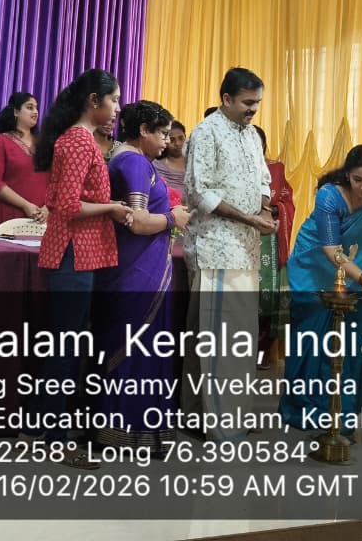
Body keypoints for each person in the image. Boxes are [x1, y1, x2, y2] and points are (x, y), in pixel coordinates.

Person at [32, 69, 134, 467]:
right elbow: (69, 206)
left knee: (62, 347)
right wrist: (113, 208)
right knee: (65, 350)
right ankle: (57, 440)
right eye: (114, 100)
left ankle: (35, 432)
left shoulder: (80, 140)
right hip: (72, 252)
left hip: (77, 253)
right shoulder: (77, 141)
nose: (118, 108)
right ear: (94, 101)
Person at [279, 145, 362, 433]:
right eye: (358, 180)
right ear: (347, 175)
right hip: (313, 269)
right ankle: (304, 409)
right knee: (310, 343)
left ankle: (340, 414)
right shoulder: (330, 196)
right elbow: (331, 249)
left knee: (349, 347)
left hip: (353, 277)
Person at [181, 67, 275, 442]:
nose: (253, 109)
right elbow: (199, 192)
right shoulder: (206, 133)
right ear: (226, 99)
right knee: (219, 339)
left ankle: (204, 414)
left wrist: (264, 210)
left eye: (257, 103)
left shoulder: (250, 134)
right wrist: (250, 218)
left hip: (245, 249)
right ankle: (222, 424)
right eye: (248, 102)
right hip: (216, 248)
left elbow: (263, 179)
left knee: (234, 338)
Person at [92, 101, 191, 454]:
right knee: (137, 347)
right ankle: (126, 430)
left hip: (140, 268)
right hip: (136, 272)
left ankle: (127, 431)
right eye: (162, 133)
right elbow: (136, 220)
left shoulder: (130, 159)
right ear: (143, 131)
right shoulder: (133, 162)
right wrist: (173, 218)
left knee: (140, 347)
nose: (166, 140)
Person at [253, 124, 296, 370]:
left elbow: (287, 202)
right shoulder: (235, 169)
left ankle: (263, 351)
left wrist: (273, 210)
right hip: (243, 238)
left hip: (270, 241)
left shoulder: (275, 169)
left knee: (269, 298)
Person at [0, 91, 50, 233]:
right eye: (30, 107)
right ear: (16, 112)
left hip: (40, 220)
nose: (35, 112)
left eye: (36, 108)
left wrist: (48, 207)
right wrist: (25, 205)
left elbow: (56, 181)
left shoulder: (45, 145)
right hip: (4, 217)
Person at [152, 120, 188, 195]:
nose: (177, 143)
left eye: (181, 138)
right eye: (172, 140)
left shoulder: (195, 163)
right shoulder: (156, 166)